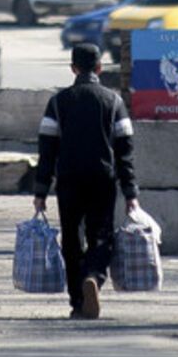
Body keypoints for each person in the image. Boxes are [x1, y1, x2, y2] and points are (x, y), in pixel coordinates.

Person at [33, 42, 138, 319]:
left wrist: (41, 189)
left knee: (71, 238)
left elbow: (47, 149)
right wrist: (130, 192)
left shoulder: (58, 102)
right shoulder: (114, 102)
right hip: (103, 179)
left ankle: (78, 301)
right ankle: (93, 276)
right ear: (100, 68)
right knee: (101, 236)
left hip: (68, 180)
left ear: (73, 68)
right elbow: (125, 151)